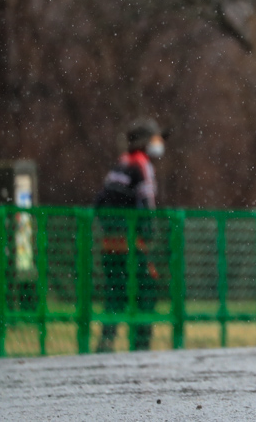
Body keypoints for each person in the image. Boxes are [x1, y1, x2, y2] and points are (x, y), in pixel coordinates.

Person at [94, 118, 165, 352]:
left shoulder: (119, 164)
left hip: (109, 243)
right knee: (146, 291)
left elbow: (100, 202)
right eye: (154, 139)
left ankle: (106, 342)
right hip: (132, 245)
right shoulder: (142, 165)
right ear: (145, 142)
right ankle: (140, 347)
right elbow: (146, 204)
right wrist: (149, 236)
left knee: (114, 295)